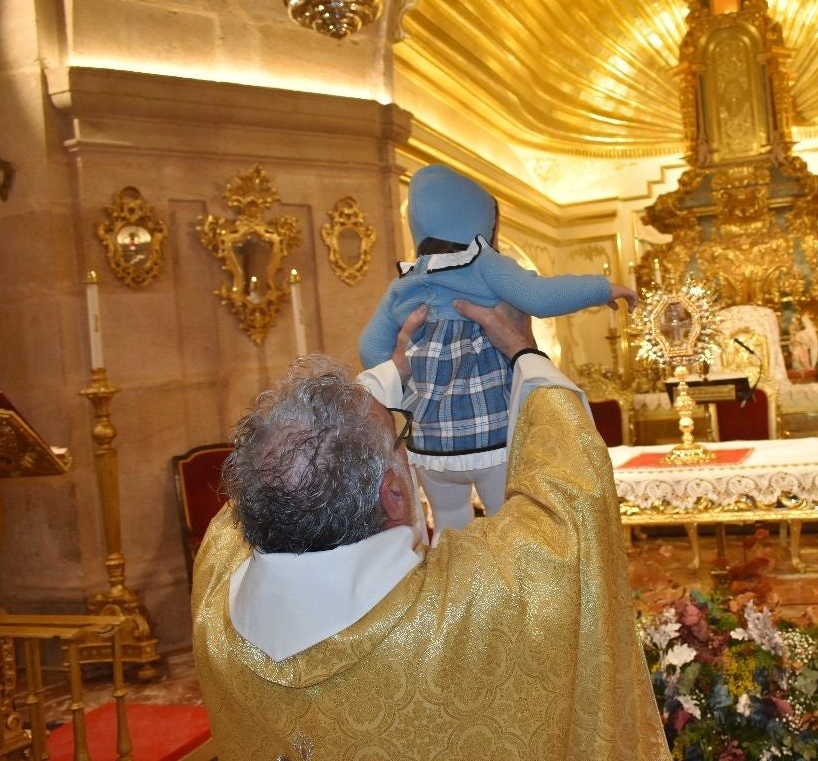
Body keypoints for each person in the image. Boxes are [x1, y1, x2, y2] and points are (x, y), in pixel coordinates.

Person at [193, 300, 669, 761]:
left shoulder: (215, 580)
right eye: (400, 433)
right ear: (394, 496)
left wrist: (390, 375)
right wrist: (526, 356)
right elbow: (572, 507)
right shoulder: (487, 598)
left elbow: (291, 464)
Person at [358, 164, 636, 533]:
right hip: (492, 433)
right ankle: (508, 588)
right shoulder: (483, 263)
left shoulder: (405, 282)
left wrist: (411, 388)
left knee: (448, 527)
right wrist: (603, 289)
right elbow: (539, 295)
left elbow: (370, 348)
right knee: (509, 526)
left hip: (430, 443)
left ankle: (454, 589)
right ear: (478, 218)